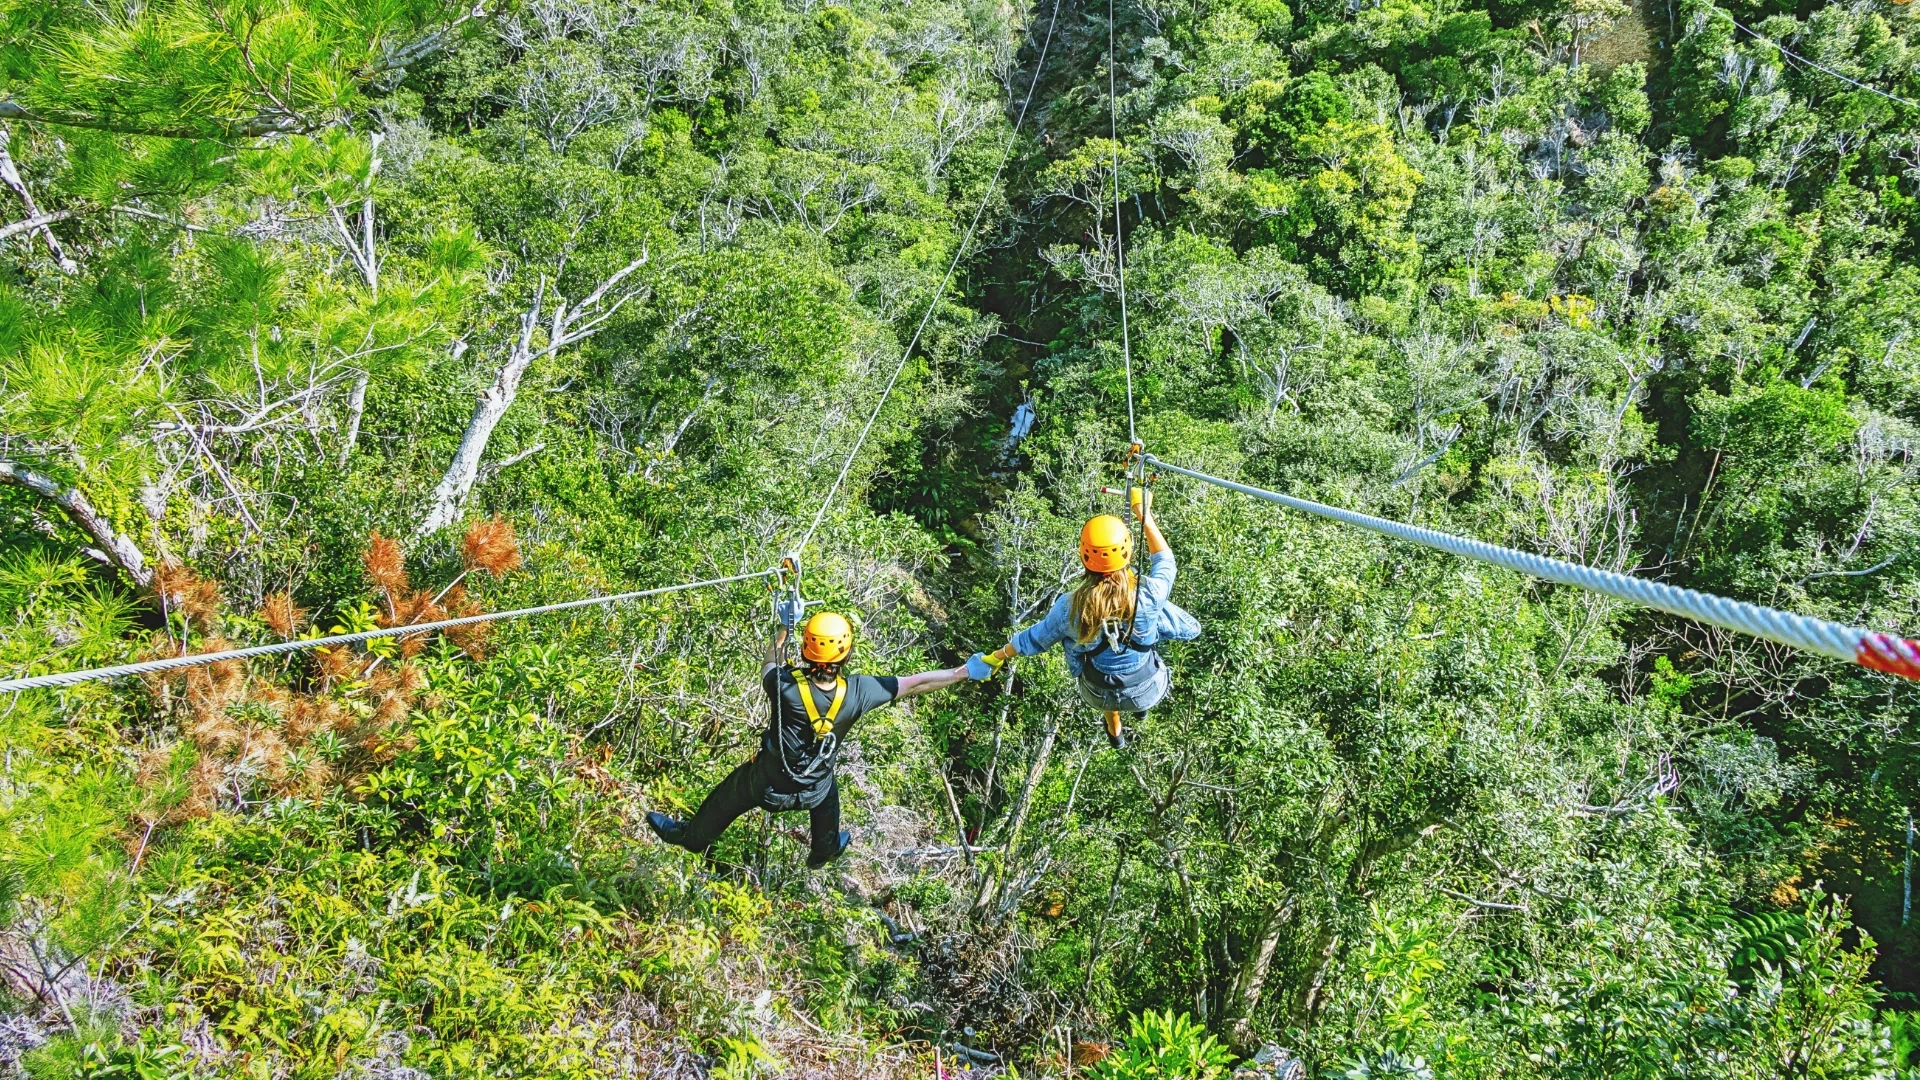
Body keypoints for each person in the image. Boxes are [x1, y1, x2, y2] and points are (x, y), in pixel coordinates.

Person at [648, 610, 972, 868]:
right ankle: (823, 850)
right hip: (814, 791)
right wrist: (961, 672)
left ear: (806, 649)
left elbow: (769, 661)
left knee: (727, 795)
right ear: (846, 654)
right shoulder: (859, 691)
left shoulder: (784, 685)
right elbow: (915, 683)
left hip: (767, 787)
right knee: (828, 791)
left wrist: (784, 627)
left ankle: (691, 838)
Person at [968, 486, 1199, 748]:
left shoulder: (1071, 607)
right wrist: (1142, 511)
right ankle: (1139, 707)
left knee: (1102, 681)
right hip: (1148, 689)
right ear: (1127, 550)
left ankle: (1116, 734)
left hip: (1097, 692)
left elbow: (1035, 639)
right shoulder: (1147, 595)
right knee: (1153, 632)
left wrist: (996, 656)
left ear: (1084, 555)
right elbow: (1165, 560)